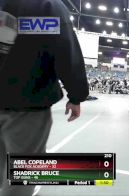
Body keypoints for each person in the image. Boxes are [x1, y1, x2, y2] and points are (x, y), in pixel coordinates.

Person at [0, 0, 89, 196]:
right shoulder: (45, 6)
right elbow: (66, 51)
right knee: (22, 177)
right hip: (26, 105)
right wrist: (76, 95)